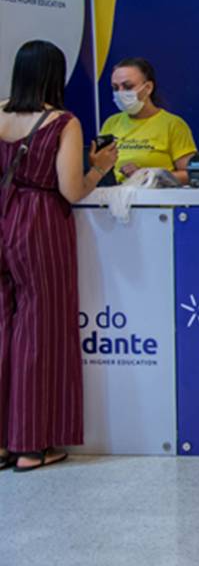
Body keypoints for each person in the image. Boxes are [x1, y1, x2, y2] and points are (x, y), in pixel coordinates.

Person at [0, 40, 118, 472]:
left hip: (2, 216)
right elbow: (70, 189)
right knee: (40, 331)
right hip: (39, 225)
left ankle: (2, 443)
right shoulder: (62, 122)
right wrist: (99, 167)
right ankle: (31, 446)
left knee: (3, 327)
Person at [100, 57, 197, 184]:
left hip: (156, 195)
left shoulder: (173, 125)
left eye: (128, 86)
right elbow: (99, 167)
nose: (120, 92)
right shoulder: (111, 123)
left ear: (148, 88)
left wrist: (150, 175)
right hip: (115, 194)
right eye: (115, 88)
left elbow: (191, 175)